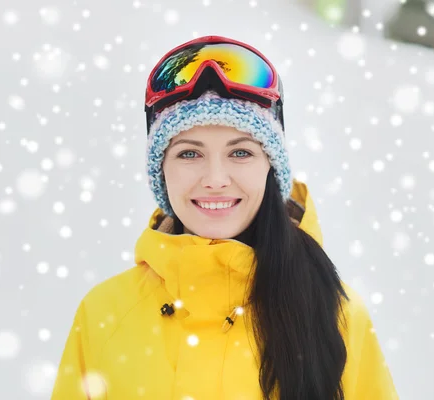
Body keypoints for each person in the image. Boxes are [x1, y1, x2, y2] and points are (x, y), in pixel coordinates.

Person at [51, 35, 399, 400]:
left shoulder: (336, 315)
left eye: (240, 153)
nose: (215, 179)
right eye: (189, 154)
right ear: (161, 171)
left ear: (270, 166)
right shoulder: (105, 313)